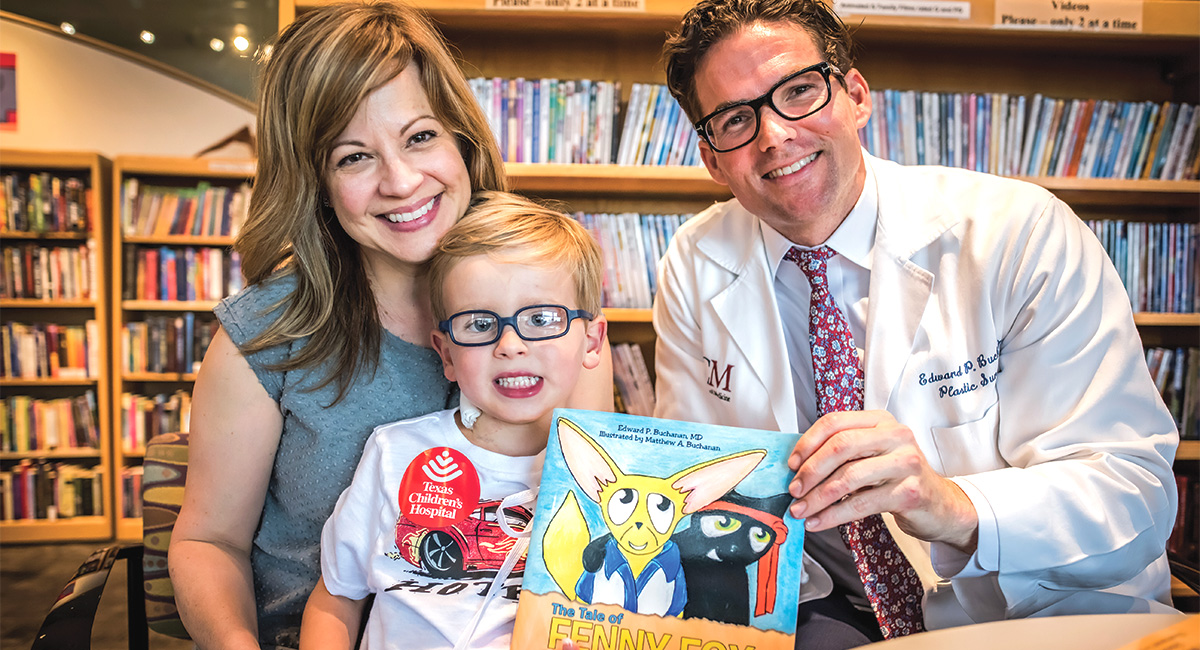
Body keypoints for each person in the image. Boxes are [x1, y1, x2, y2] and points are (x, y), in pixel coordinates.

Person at [652, 0, 1180, 647]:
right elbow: (685, 479)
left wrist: (945, 503)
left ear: (855, 96)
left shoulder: (1020, 232)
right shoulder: (692, 261)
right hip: (826, 604)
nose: (775, 135)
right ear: (711, 158)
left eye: (797, 91)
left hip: (1039, 608)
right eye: (736, 118)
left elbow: (1136, 493)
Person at [169, 3, 610, 648]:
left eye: (421, 137)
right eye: (354, 158)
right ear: (315, 181)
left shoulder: (554, 312)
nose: (402, 182)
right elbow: (209, 540)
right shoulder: (266, 332)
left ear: (462, 138)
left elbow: (595, 512)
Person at [299, 191, 607, 649]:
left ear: (592, 341)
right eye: (480, 325)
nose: (510, 345)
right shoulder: (395, 454)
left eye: (542, 318)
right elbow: (336, 598)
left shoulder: (614, 479)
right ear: (446, 353)